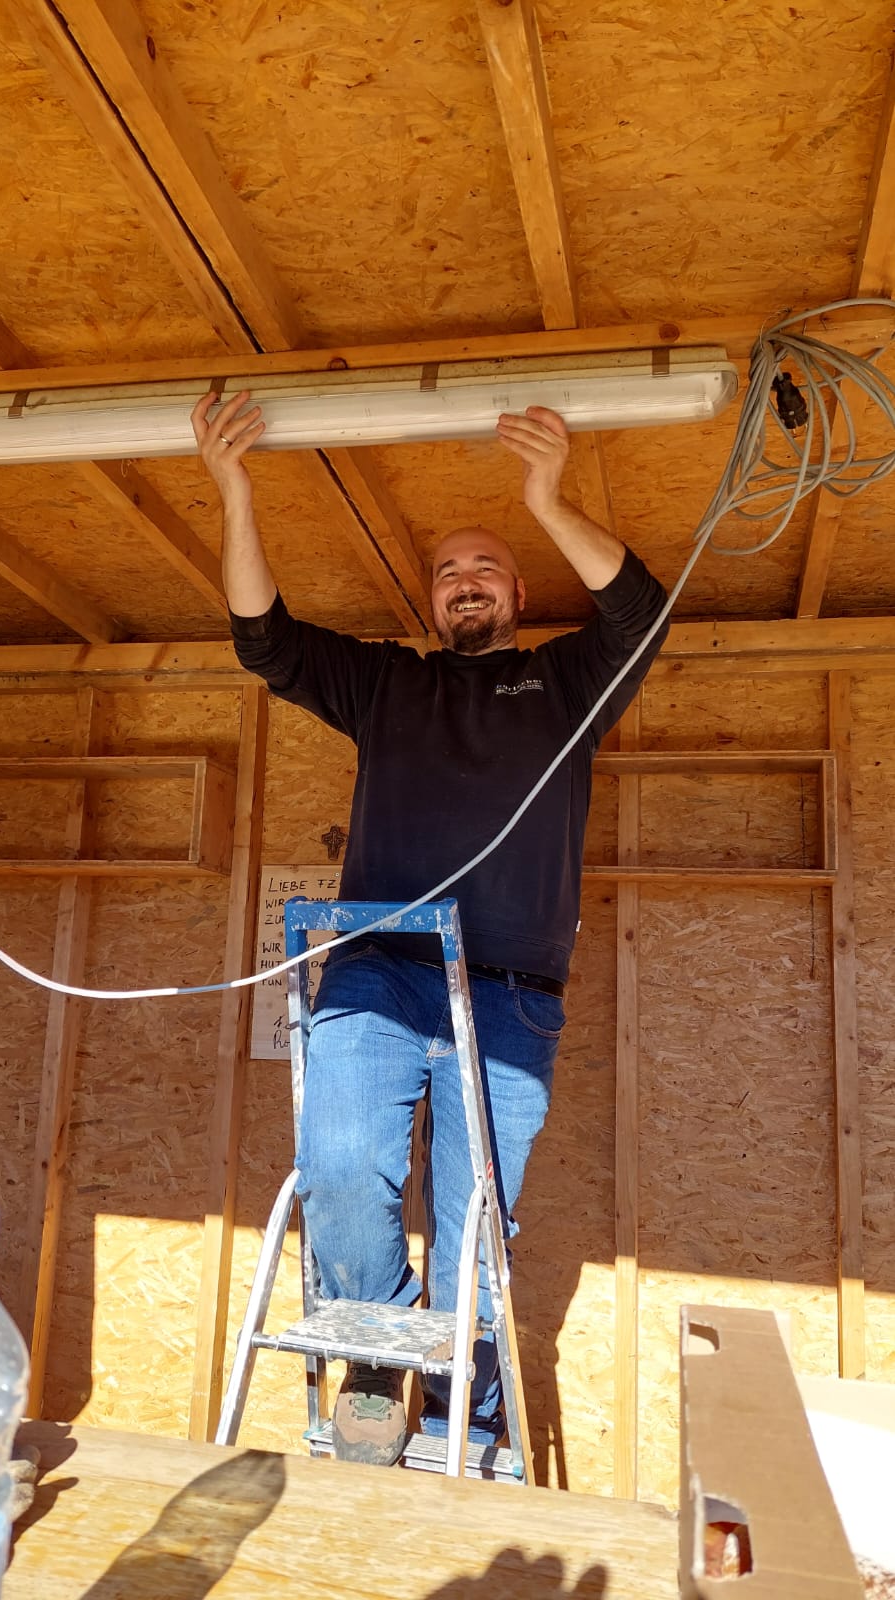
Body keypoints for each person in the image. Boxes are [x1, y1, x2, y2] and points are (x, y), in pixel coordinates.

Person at [192, 390, 669, 1467]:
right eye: (449, 570)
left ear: (516, 593)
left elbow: (640, 611)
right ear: (431, 598)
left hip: (507, 996)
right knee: (339, 1166)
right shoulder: (388, 685)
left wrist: (544, 496)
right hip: (376, 975)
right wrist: (232, 486)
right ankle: (376, 1362)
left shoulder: (566, 682)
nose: (466, 579)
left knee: (474, 1227)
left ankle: (465, 1429)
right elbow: (264, 641)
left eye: (486, 567)